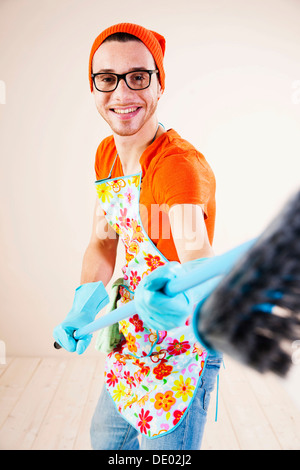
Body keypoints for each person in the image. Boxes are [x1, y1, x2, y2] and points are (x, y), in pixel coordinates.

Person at [54, 22, 222, 450]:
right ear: (92, 89)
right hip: (132, 329)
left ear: (159, 84)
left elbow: (197, 260)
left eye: (138, 77)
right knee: (107, 441)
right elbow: (103, 241)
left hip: (181, 341)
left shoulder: (176, 167)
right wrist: (84, 305)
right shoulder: (107, 155)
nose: (122, 94)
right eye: (107, 79)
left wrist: (177, 300)